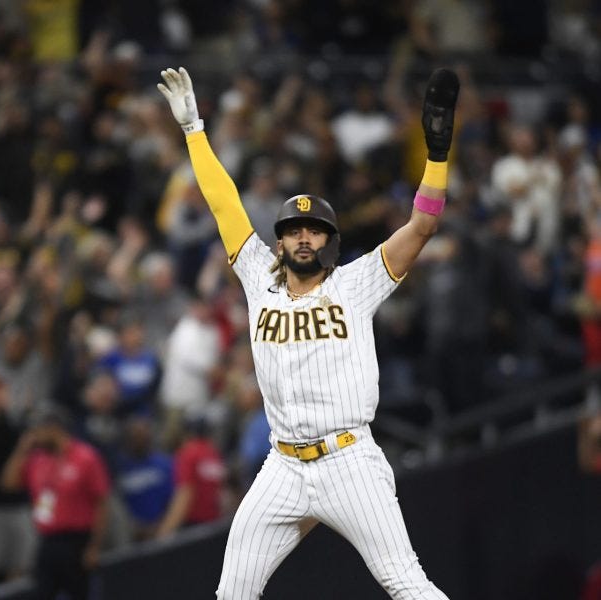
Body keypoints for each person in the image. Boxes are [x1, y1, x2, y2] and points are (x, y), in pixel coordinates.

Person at [158, 65, 458, 598]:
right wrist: (194, 132)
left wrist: (437, 158)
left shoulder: (356, 283)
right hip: (283, 465)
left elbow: (422, 227)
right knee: (232, 593)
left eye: (314, 231)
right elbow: (224, 202)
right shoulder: (257, 277)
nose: (303, 238)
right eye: (293, 230)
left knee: (404, 581)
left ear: (330, 243)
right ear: (278, 243)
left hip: (348, 460)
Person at [0, 406, 110, 600]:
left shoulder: (85, 457)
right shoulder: (37, 459)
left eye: (38, 429)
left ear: (54, 428)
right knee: (42, 593)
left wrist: (94, 546)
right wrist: (21, 450)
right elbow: (7, 484)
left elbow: (101, 502)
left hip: (77, 541)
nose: (34, 435)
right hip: (48, 541)